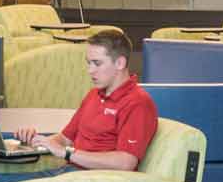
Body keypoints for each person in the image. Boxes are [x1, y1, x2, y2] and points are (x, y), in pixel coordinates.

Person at [13, 31, 157, 170]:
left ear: (120, 63)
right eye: (88, 63)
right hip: (66, 174)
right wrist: (36, 141)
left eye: (97, 63)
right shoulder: (94, 94)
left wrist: (67, 153)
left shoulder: (138, 102)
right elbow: (64, 139)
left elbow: (125, 162)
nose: (90, 70)